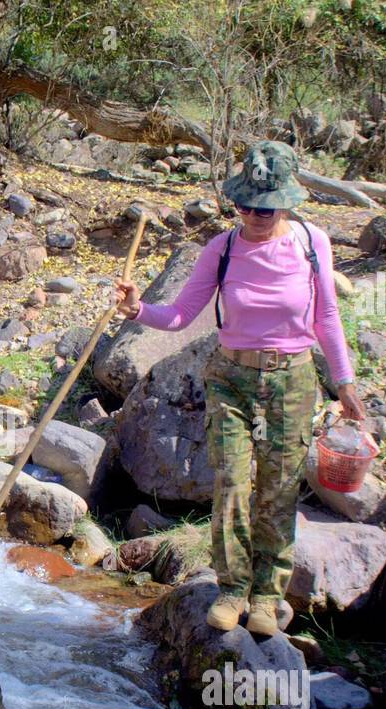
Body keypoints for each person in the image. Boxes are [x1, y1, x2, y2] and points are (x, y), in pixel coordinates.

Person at [113, 141, 366, 636]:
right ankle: (232, 588)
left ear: (286, 201)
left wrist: (345, 382)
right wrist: (138, 309)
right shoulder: (222, 249)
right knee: (230, 481)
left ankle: (268, 597)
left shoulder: (313, 244)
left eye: (265, 206)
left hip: (292, 378)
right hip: (230, 376)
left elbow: (328, 317)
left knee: (279, 488)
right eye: (245, 204)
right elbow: (181, 314)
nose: (254, 214)